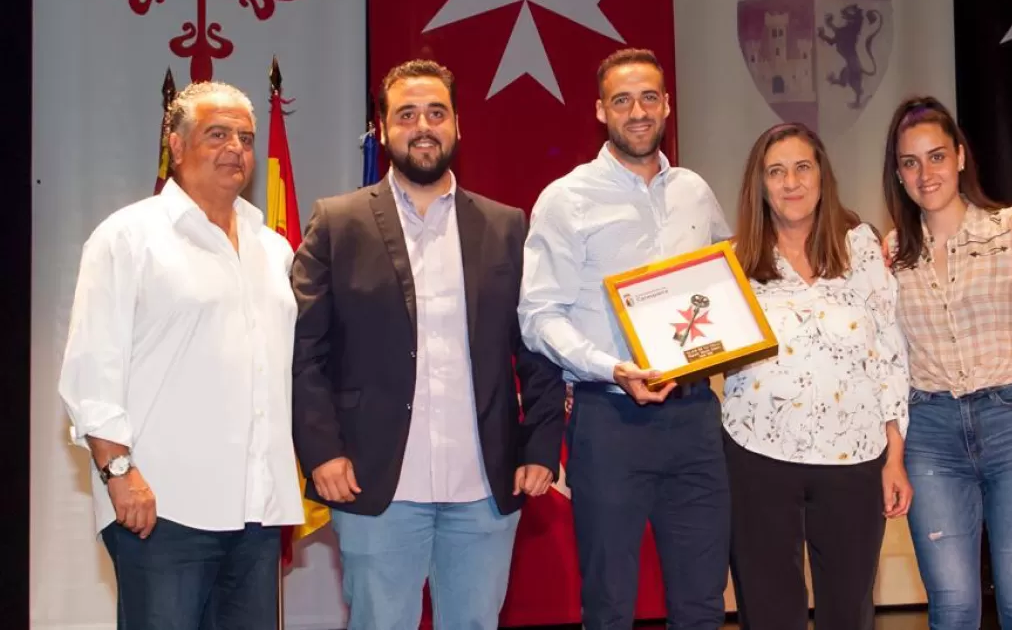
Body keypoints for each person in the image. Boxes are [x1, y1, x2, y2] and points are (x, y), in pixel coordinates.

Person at [291, 59, 565, 630]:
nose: (423, 126)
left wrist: (541, 445)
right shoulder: (338, 223)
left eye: (436, 113)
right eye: (407, 114)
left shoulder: (505, 225)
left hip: (483, 487)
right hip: (375, 483)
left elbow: (536, 346)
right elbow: (305, 351)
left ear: (458, 125)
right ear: (383, 128)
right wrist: (321, 452)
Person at [57, 81, 304, 629]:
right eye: (217, 134)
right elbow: (92, 368)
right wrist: (119, 471)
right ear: (175, 142)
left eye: (244, 137)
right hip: (163, 508)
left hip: (257, 510)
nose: (235, 148)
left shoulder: (273, 247)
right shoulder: (128, 237)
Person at [519, 48, 732, 629]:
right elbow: (538, 315)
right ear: (599, 111)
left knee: (702, 602)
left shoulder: (694, 190)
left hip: (694, 419)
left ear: (667, 104)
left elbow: (726, 284)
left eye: (648, 98)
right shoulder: (566, 199)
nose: (637, 112)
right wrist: (610, 367)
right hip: (609, 421)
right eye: (622, 100)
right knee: (610, 603)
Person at [882, 96, 1012, 629]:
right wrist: (893, 455)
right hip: (932, 435)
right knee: (953, 608)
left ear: (961, 157)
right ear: (898, 174)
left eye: (937, 156)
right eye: (910, 162)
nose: (926, 173)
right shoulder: (892, 252)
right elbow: (888, 367)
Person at [722, 123, 910, 630]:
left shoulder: (862, 248)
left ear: (822, 176)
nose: (791, 182)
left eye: (802, 167)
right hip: (758, 456)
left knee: (848, 615)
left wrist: (895, 455)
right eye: (776, 171)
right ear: (759, 185)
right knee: (768, 615)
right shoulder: (733, 262)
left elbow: (888, 354)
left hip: (853, 457)